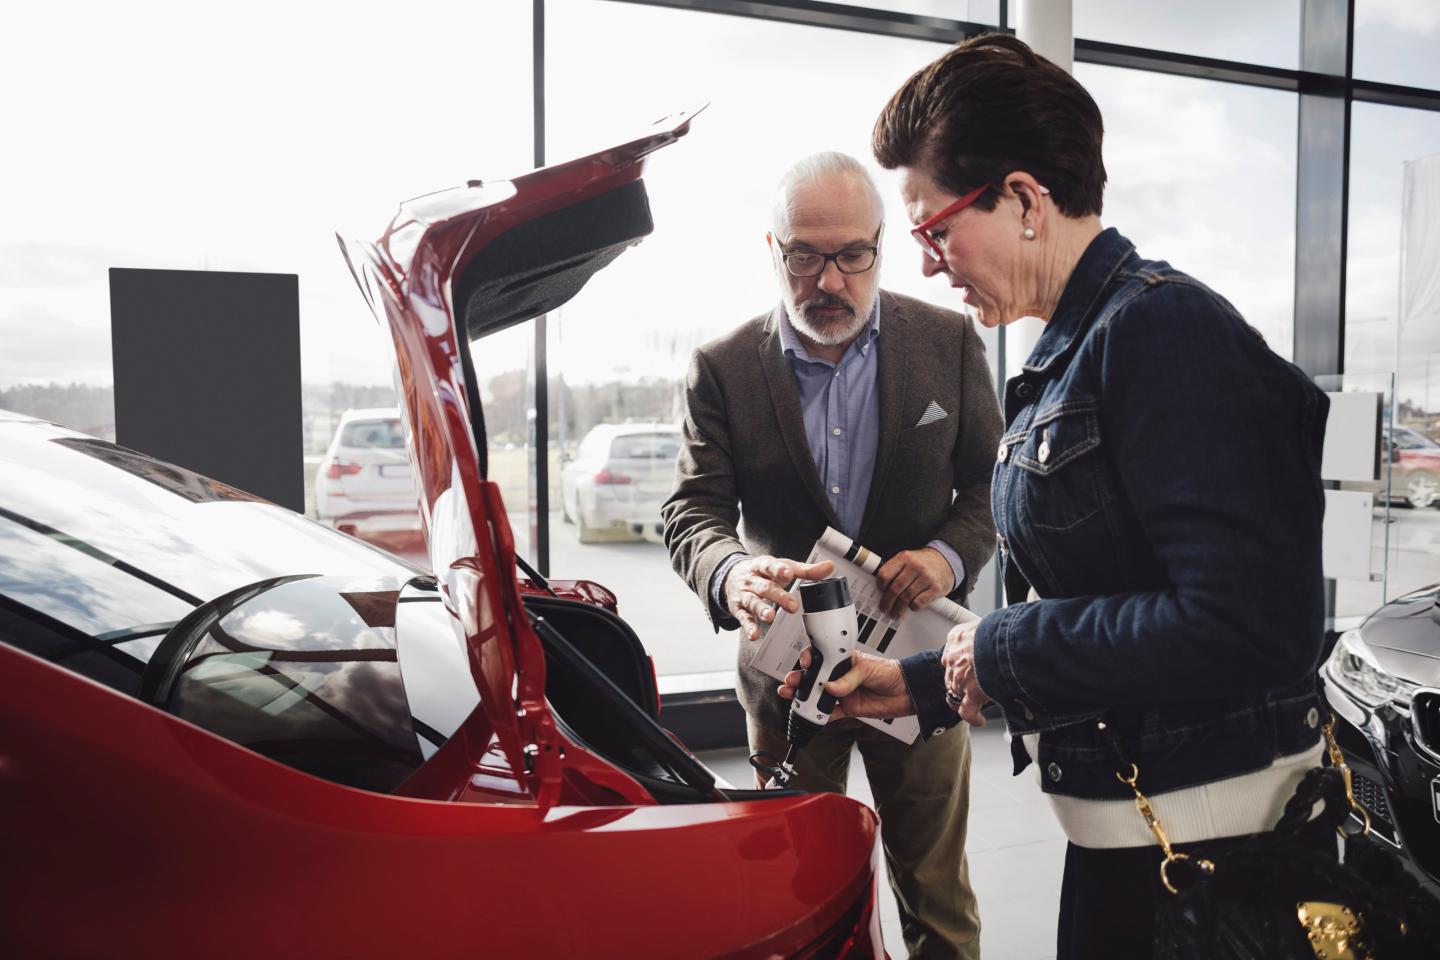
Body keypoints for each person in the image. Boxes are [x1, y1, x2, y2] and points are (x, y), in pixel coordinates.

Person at [780, 34, 1332, 960]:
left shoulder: (1159, 327)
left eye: (934, 229)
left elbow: (1250, 623)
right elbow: (1105, 601)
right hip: (1135, 842)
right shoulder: (1069, 352)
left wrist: (1000, 644)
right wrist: (916, 683)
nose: (926, 264)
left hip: (1209, 868)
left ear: (1025, 199)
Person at [662, 151, 1003, 960]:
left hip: (920, 669)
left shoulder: (950, 341)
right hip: (785, 677)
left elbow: (995, 488)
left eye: (854, 254)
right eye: (807, 256)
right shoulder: (722, 366)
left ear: (881, 245)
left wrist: (948, 557)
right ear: (772, 248)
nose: (832, 280)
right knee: (793, 899)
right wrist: (731, 571)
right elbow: (693, 511)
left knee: (936, 893)